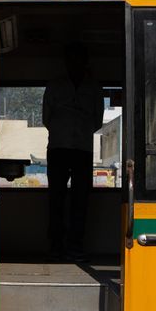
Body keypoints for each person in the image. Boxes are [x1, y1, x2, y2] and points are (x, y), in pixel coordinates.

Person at [42, 42, 103, 260]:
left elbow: (98, 121)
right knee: (56, 197)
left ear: (85, 61)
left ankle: (76, 245)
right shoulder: (55, 85)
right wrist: (63, 129)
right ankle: (56, 245)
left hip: (83, 149)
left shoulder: (94, 87)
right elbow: (45, 118)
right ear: (66, 61)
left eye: (79, 58)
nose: (75, 62)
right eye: (71, 58)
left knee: (81, 198)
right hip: (58, 147)